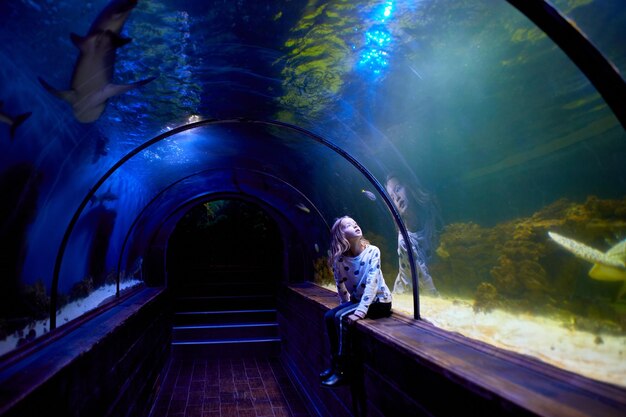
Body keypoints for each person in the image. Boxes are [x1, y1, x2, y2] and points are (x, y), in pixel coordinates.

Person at [320, 216, 392, 387]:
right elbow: (340, 285)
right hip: (359, 301)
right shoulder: (339, 259)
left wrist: (361, 311)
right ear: (340, 235)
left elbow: (373, 283)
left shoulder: (373, 251)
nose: (355, 225)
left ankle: (342, 370)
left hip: (379, 302)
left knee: (340, 318)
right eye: (348, 225)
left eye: (355, 223)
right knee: (330, 316)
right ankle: (334, 363)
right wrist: (343, 305)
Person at [385, 172, 440, 296]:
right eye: (392, 198)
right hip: (406, 296)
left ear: (410, 186)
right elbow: (424, 281)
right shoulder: (404, 241)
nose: (397, 198)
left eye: (398, 189)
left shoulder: (431, 217)